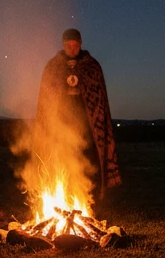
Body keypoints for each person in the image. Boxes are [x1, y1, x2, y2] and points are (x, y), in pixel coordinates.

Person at [33, 28, 121, 198]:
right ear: (63, 45)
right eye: (69, 45)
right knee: (60, 156)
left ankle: (87, 195)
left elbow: (99, 97)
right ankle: (61, 195)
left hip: (87, 122)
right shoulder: (53, 66)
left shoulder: (92, 66)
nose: (72, 49)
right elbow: (46, 98)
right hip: (60, 120)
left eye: (75, 45)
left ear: (80, 44)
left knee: (87, 157)